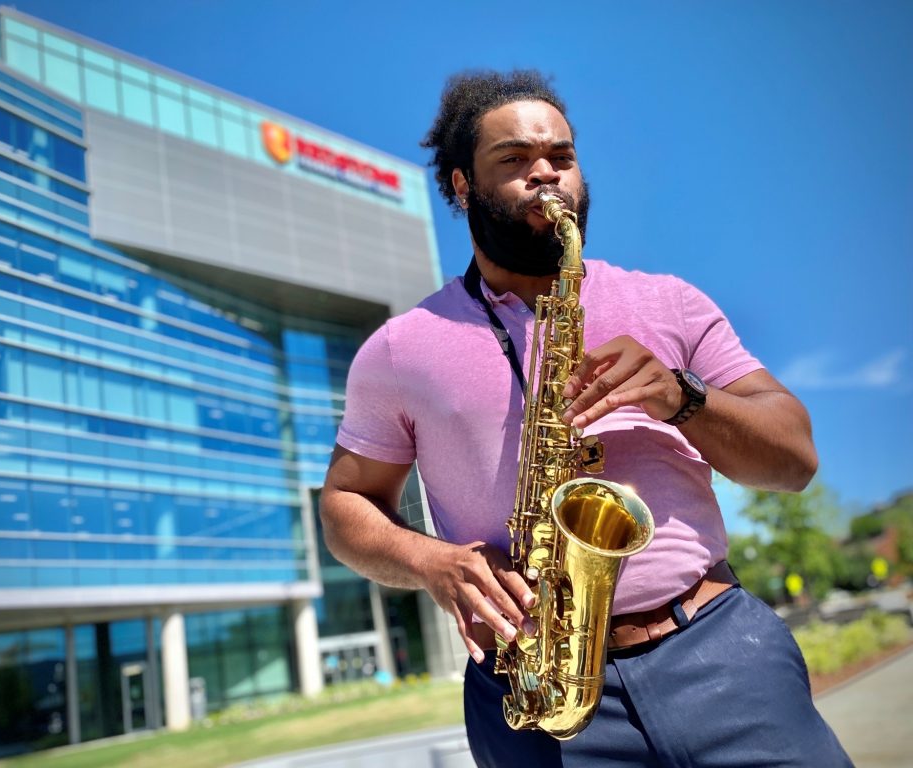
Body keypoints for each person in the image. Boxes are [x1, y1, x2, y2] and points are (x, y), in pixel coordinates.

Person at [319, 70, 852, 767]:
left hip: (721, 655)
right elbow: (344, 502)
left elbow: (795, 459)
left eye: (562, 158)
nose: (547, 175)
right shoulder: (399, 347)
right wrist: (432, 562)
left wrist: (683, 398)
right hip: (531, 690)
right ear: (459, 185)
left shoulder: (671, 302)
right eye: (513, 160)